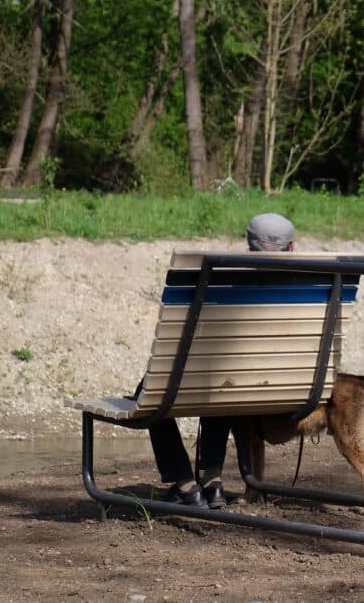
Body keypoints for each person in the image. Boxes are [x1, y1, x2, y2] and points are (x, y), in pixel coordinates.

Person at [147, 213, 298, 509]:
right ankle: (212, 480)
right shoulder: (318, 284)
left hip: (228, 379)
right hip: (285, 384)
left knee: (150, 395)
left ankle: (188, 484)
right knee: (222, 385)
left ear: (248, 246)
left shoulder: (224, 283)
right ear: (292, 248)